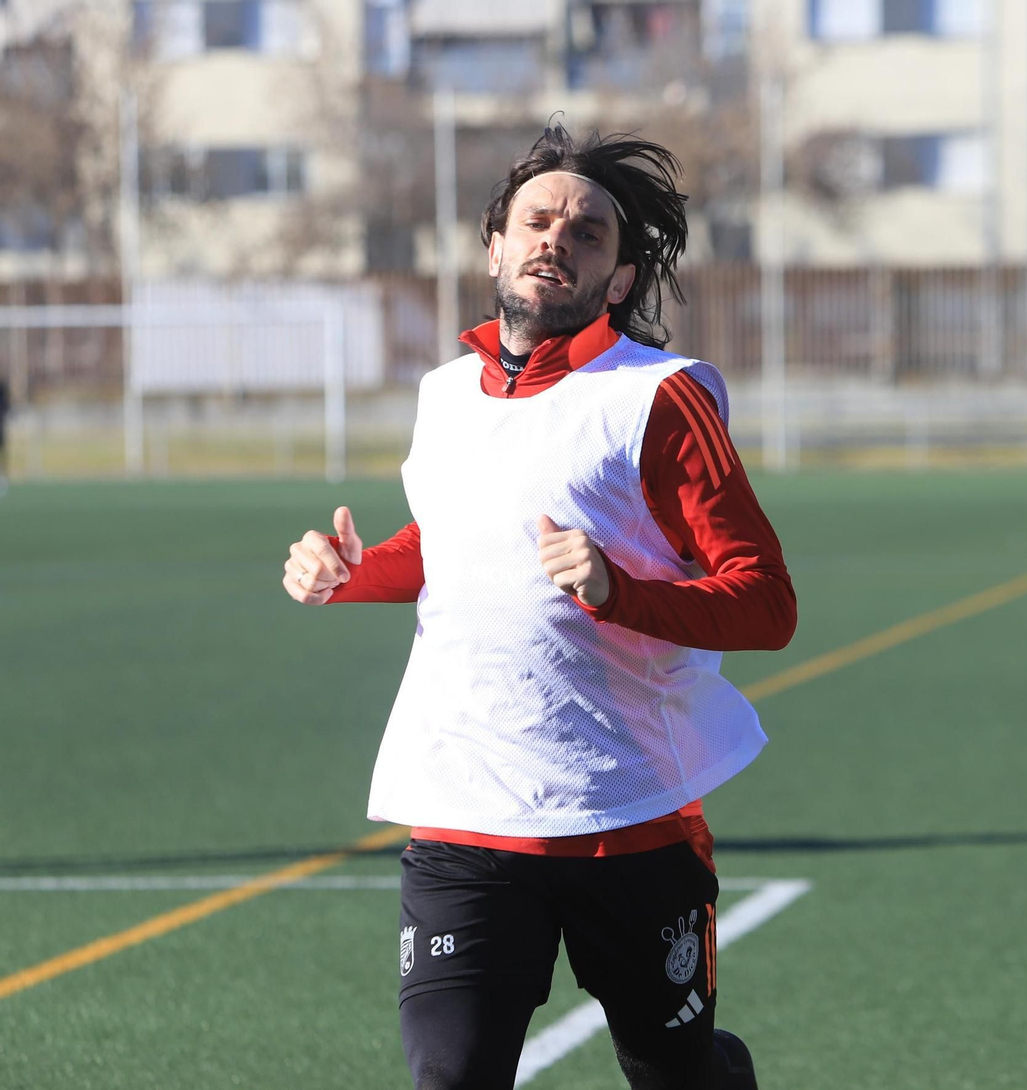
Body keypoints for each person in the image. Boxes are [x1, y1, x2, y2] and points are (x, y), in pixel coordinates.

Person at [282, 124, 796, 1090]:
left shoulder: (661, 398)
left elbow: (767, 605)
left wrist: (619, 591)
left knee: (678, 1075)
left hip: (629, 815)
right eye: (537, 219)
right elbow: (448, 548)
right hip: (464, 816)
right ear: (495, 247)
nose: (556, 238)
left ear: (618, 278)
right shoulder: (443, 396)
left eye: (589, 232)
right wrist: (349, 572)